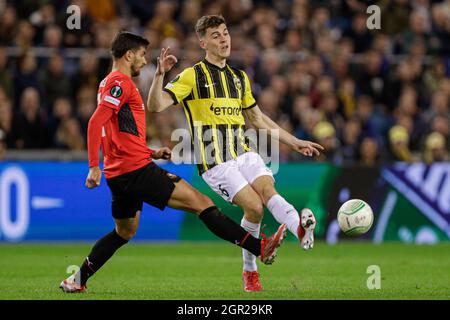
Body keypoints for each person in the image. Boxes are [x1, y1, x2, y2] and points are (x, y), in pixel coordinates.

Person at [59, 31, 287, 293]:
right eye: (142, 55)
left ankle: (76, 280)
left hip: (120, 173)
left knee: (124, 232)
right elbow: (95, 122)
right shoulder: (119, 83)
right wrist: (92, 165)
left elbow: (118, 132)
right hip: (136, 171)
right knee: (203, 205)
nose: (145, 62)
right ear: (129, 55)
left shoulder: (106, 83)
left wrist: (150, 151)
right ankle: (260, 248)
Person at [148, 15, 324, 292]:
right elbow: (156, 106)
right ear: (203, 42)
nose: (224, 39)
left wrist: (293, 141)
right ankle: (251, 270)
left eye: (226, 33)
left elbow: (257, 120)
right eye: (216, 35)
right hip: (214, 160)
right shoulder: (192, 76)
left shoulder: (239, 78)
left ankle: (298, 230)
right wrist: (159, 75)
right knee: (253, 208)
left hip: (243, 151)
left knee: (267, 191)